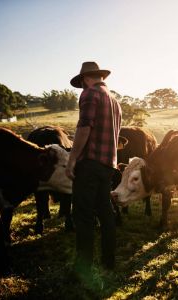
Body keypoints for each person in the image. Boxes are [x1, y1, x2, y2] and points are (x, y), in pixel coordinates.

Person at [65, 61, 122, 279]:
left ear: (86, 79)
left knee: (83, 215)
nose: (81, 88)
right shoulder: (115, 101)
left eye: (81, 83)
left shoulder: (90, 94)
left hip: (89, 163)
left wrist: (72, 160)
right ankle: (109, 262)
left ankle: (83, 268)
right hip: (108, 165)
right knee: (106, 212)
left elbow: (84, 127)